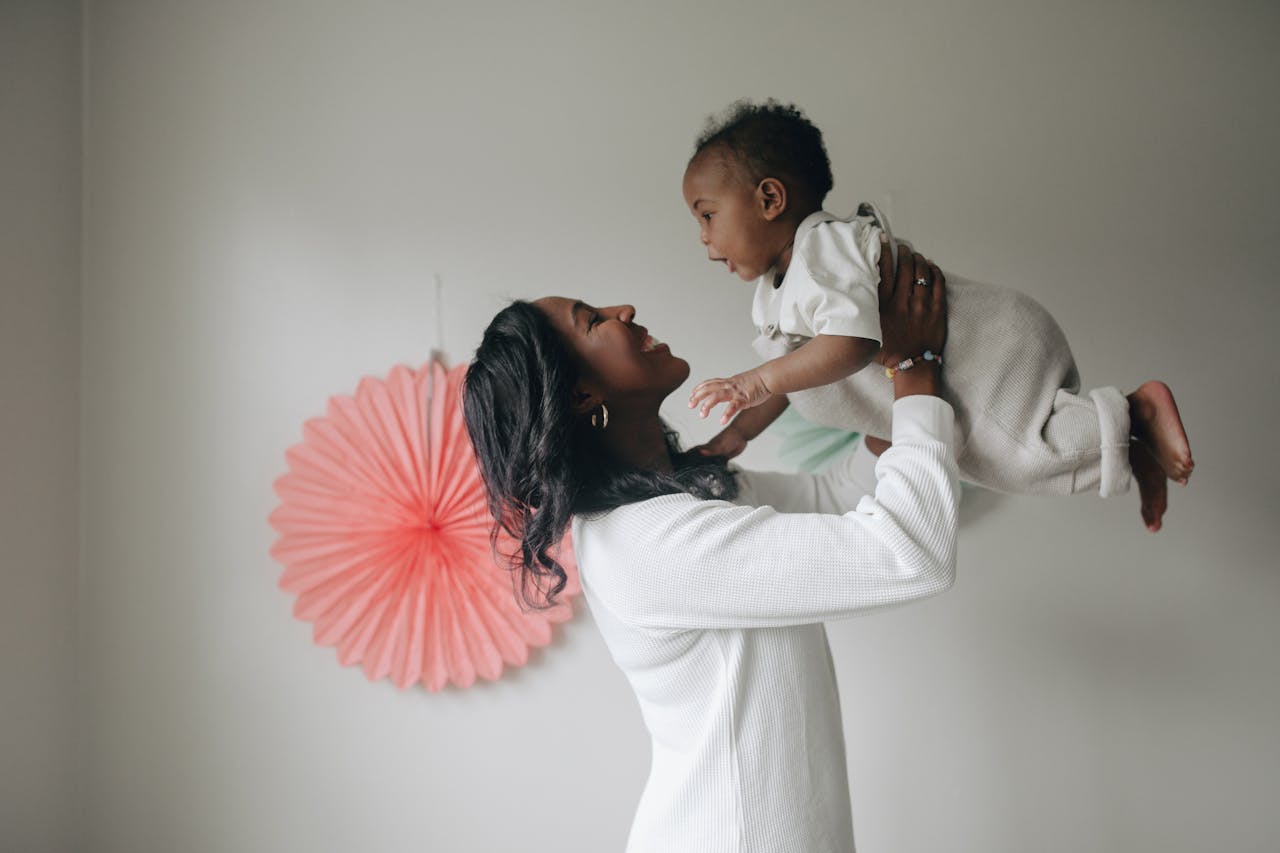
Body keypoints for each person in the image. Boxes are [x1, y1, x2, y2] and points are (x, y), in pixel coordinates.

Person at [463, 240, 956, 853]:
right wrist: (915, 369)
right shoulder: (649, 543)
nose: (624, 309)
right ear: (580, 397)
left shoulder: (682, 498)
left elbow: (843, 495)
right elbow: (910, 554)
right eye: (593, 321)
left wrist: (878, 369)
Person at [682, 99, 1192, 532]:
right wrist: (740, 433)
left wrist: (752, 381)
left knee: (1026, 457)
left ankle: (1138, 411)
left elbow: (850, 345)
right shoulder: (782, 288)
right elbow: (797, 378)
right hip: (962, 371)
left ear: (770, 198)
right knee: (996, 463)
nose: (703, 236)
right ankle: (1130, 443)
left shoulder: (823, 251)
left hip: (986, 351)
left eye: (707, 215)